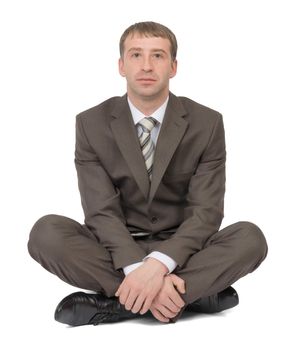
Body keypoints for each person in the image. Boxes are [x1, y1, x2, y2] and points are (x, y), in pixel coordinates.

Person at [27, 21, 268, 326]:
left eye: (158, 56)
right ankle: (185, 296)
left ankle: (119, 305)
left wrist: (159, 264)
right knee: (46, 233)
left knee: (251, 238)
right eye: (136, 55)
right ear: (121, 65)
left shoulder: (207, 123)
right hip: (115, 249)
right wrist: (134, 266)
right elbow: (101, 212)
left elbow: (206, 212)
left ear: (173, 66)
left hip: (183, 250)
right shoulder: (90, 124)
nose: (146, 66)